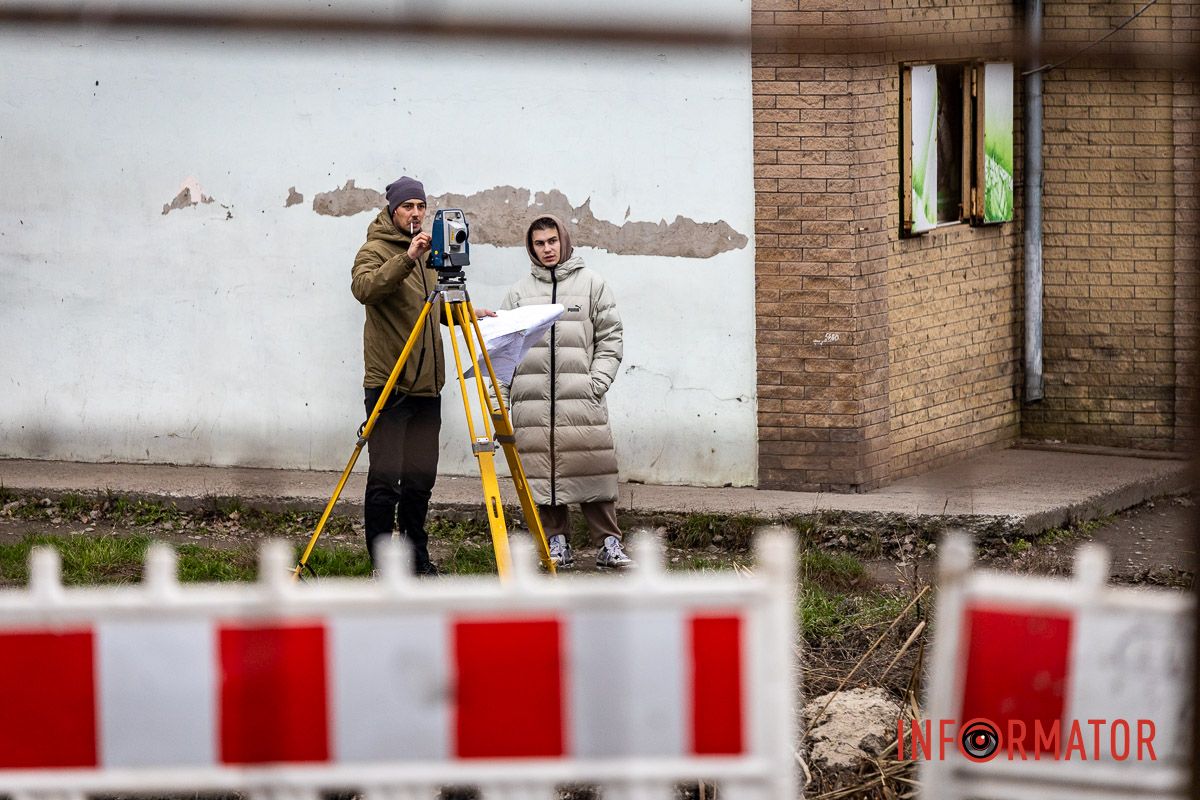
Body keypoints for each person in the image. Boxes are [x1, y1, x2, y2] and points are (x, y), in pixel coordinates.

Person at [350, 176, 492, 574]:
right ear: (392, 210)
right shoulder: (375, 249)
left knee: (418, 484)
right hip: (390, 384)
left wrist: (465, 313)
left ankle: (416, 561)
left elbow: (429, 311)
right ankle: (383, 565)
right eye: (407, 206)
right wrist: (407, 258)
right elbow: (365, 288)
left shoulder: (431, 257)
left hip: (427, 388)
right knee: (385, 482)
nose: (415, 213)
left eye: (419, 206)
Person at [500, 214, 633, 569]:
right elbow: (504, 349)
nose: (547, 249)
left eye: (552, 241)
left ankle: (609, 544)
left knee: (594, 468)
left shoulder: (593, 285)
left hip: (581, 399)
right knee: (544, 474)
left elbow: (610, 338)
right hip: (531, 402)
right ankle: (555, 541)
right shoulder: (518, 293)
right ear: (531, 247)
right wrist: (499, 393)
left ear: (564, 240)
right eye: (539, 243)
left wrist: (597, 382)